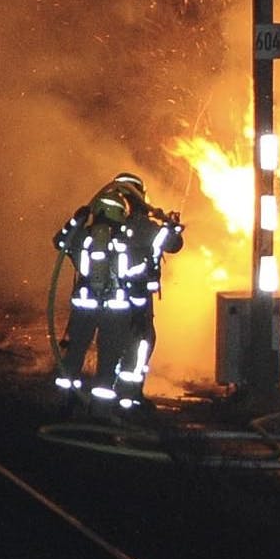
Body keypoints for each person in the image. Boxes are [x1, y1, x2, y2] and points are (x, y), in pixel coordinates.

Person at [52, 172, 183, 413]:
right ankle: (107, 408)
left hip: (84, 306)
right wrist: (170, 226)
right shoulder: (130, 236)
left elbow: (60, 242)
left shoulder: (85, 235)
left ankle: (64, 401)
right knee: (112, 358)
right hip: (119, 308)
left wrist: (76, 221)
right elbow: (171, 246)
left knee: (74, 352)